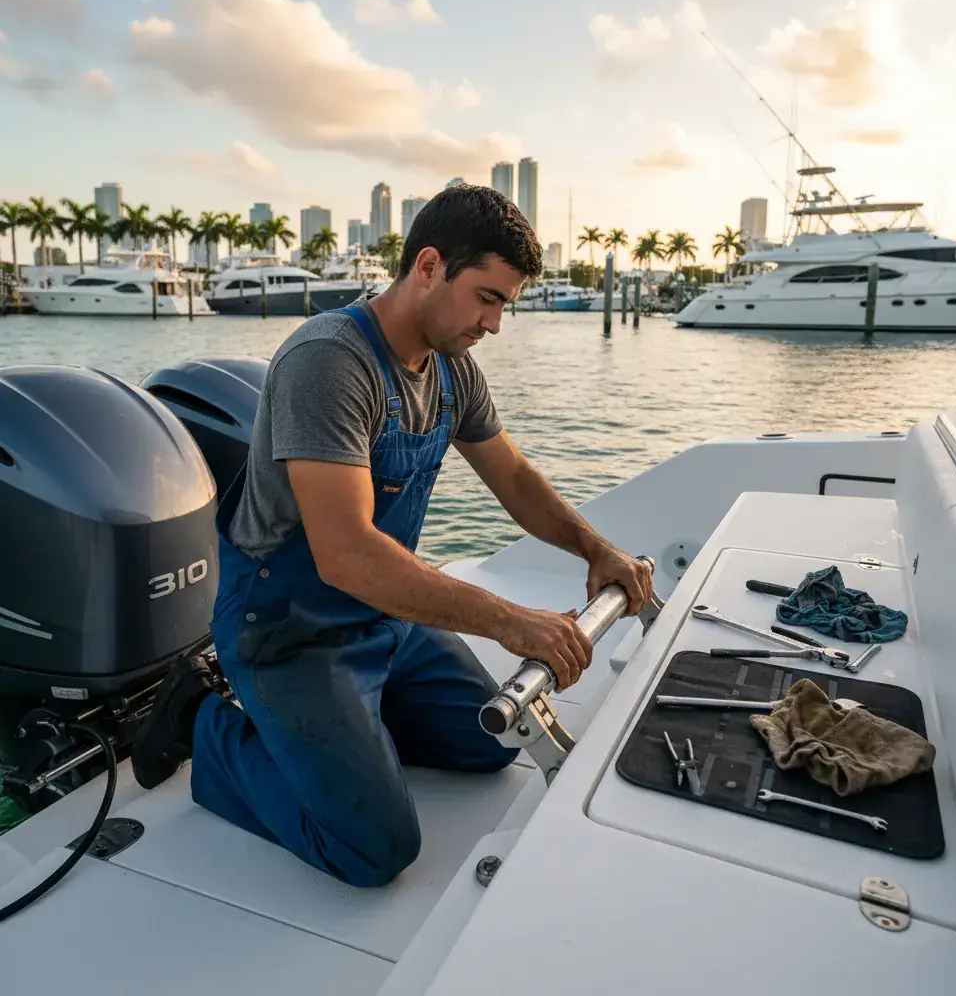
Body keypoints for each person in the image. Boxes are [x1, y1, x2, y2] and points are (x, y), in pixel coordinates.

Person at [130, 185, 653, 887]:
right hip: (290, 632)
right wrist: (510, 623)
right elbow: (345, 555)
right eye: (488, 298)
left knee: (490, 744)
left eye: (506, 304)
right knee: (374, 848)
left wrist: (597, 550)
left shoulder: (452, 368)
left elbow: (515, 477)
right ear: (430, 266)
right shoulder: (328, 363)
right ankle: (206, 723)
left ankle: (348, 729)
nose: (495, 324)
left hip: (383, 616)